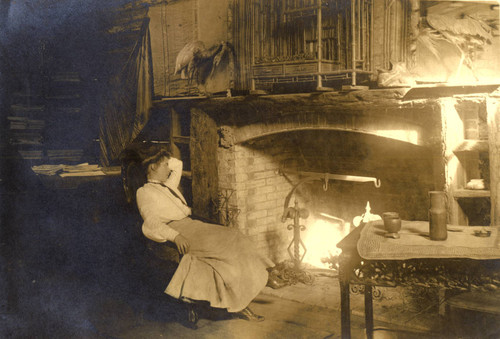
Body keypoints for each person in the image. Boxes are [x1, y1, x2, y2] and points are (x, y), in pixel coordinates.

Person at [133, 144, 274, 325]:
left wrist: (162, 156)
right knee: (231, 243)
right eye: (164, 165)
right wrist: (175, 236)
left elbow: (177, 164)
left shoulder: (167, 185)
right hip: (180, 230)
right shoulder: (144, 193)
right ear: (152, 167)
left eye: (167, 165)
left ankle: (260, 276)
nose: (169, 168)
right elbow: (151, 222)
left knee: (235, 236)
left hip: (193, 225)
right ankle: (264, 274)